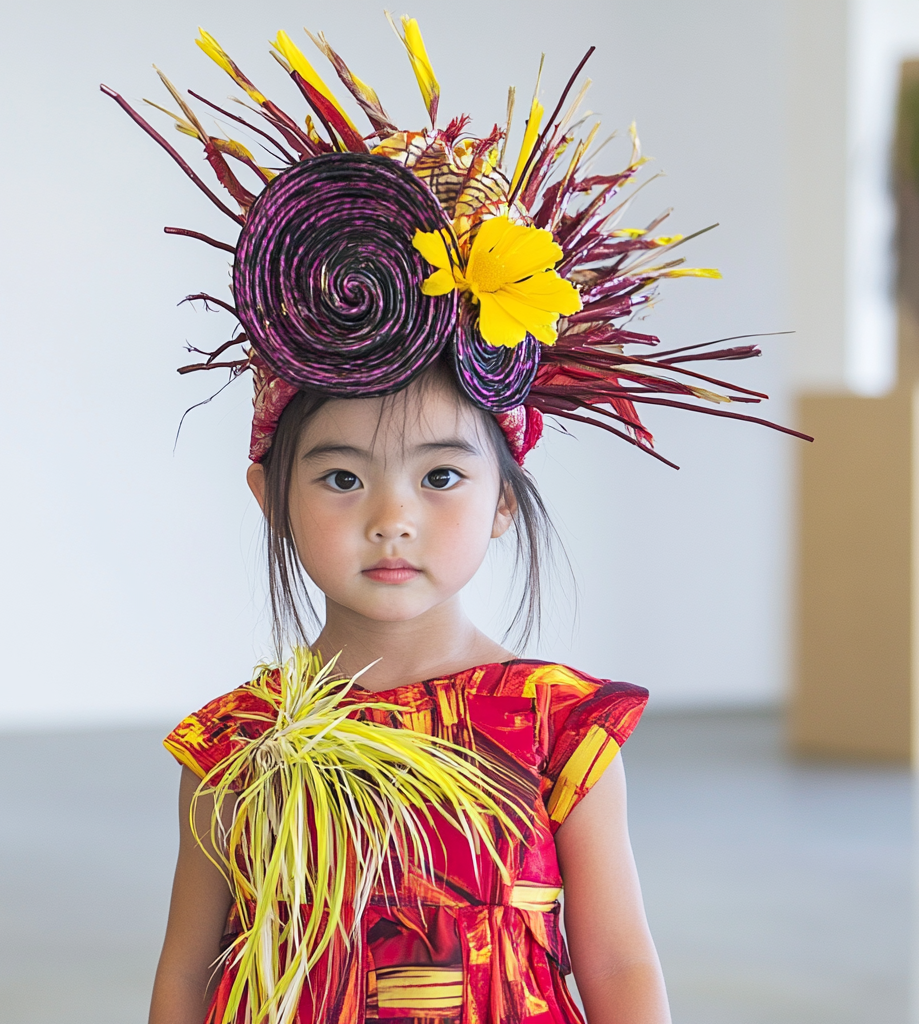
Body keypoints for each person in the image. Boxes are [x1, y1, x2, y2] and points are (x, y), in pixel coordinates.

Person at [103, 17, 806, 1024]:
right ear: (270, 494)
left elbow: (616, 966)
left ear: (505, 501)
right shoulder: (234, 750)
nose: (393, 517)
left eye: (439, 476)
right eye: (342, 480)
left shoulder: (560, 735)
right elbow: (185, 971)